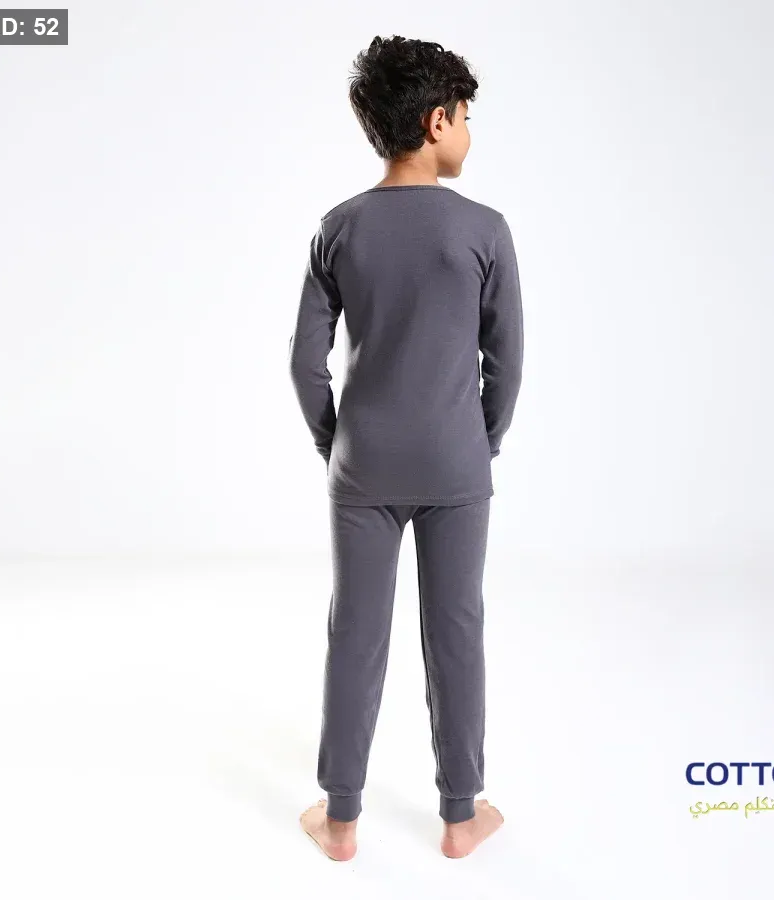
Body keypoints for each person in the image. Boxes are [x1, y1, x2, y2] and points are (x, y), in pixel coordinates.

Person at [289, 34, 524, 861]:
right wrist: (479, 443)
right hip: (456, 463)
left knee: (355, 633)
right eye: (465, 117)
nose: (468, 132)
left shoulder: (339, 227)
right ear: (436, 122)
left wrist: (338, 443)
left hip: (364, 465)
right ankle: (460, 816)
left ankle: (341, 821)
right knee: (456, 629)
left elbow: (305, 362)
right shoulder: (485, 229)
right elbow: (507, 360)